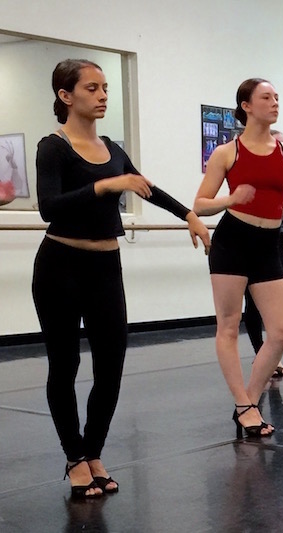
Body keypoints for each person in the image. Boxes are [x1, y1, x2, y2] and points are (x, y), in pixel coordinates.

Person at [33, 59, 210, 499]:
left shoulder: (112, 148)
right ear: (65, 96)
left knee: (110, 366)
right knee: (65, 366)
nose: (103, 96)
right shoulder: (53, 147)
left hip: (105, 268)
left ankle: (93, 452)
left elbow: (145, 186)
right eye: (92, 88)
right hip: (60, 266)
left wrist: (188, 215)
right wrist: (105, 187)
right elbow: (49, 207)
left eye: (105, 88)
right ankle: (74, 457)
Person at [193, 78, 283, 439]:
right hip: (232, 241)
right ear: (247, 106)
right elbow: (200, 204)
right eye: (266, 97)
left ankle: (249, 400)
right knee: (228, 325)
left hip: (268, 244)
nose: (275, 102)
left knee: (282, 331)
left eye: (277, 97)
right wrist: (230, 199)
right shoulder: (227, 153)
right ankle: (244, 404)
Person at [241, 129, 283, 377]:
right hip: (256, 241)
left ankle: (271, 353)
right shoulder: (260, 173)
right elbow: (270, 207)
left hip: (279, 240)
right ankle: (261, 352)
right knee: (254, 301)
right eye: (278, 144)